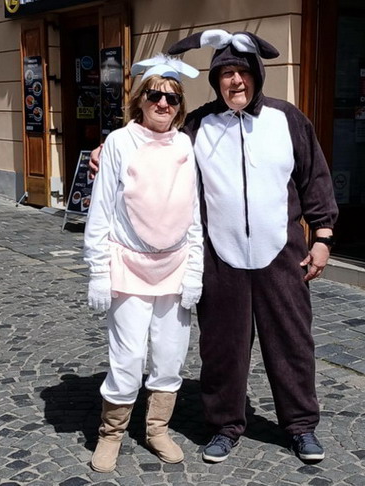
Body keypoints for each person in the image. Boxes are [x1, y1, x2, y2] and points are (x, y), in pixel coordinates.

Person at [90, 30, 338, 464]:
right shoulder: (198, 124)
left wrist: (323, 235)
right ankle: (225, 425)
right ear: (215, 80)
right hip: (220, 257)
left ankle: (300, 426)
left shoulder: (287, 118)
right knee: (223, 349)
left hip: (281, 253)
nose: (235, 81)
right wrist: (104, 150)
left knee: (292, 342)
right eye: (226, 73)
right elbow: (153, 138)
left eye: (243, 71)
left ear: (257, 74)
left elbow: (314, 176)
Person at [84, 54, 203, 472]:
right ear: (140, 100)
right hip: (128, 266)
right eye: (155, 95)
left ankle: (157, 429)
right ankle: (111, 434)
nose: (163, 104)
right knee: (128, 358)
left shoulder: (185, 144)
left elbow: (194, 213)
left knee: (170, 356)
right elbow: (101, 210)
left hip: (175, 267)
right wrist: (99, 272)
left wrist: (195, 271)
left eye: (172, 98)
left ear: (180, 105)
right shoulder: (119, 142)